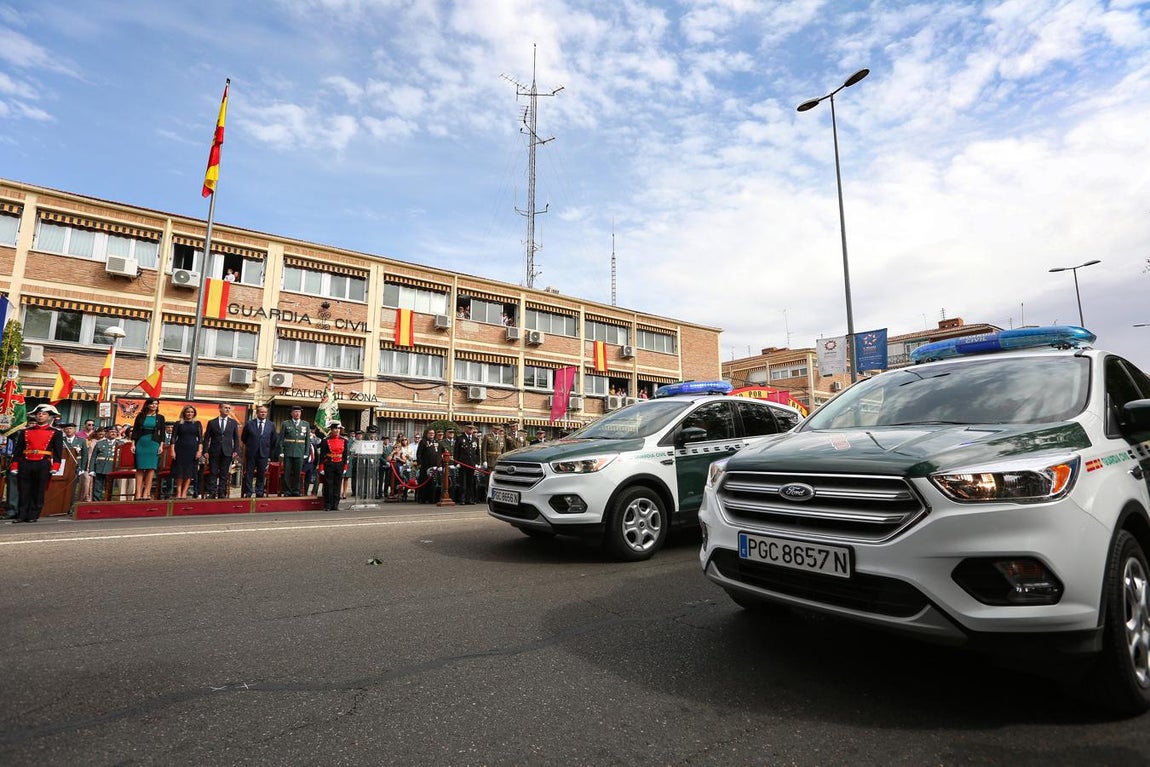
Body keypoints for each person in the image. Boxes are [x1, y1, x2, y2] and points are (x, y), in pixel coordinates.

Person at [10, 403, 64, 523]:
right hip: (26, 461)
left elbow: (58, 452)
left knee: (39, 490)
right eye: (38, 414)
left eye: (44, 414)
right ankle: (21, 514)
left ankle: (33, 515)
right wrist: (15, 465)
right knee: (24, 489)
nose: (40, 416)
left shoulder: (56, 432)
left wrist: (56, 466)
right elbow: (18, 450)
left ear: (49, 417)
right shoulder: (25, 431)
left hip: (43, 462)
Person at [130, 398, 166, 501]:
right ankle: (138, 493)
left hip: (154, 443)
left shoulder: (160, 417)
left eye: (156, 404)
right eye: (152, 404)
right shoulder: (140, 416)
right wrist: (133, 444)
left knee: (151, 468)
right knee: (140, 468)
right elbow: (135, 431)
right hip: (141, 443)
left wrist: (161, 446)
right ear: (148, 405)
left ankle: (146, 493)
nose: (154, 406)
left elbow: (162, 433)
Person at [202, 403, 239, 499]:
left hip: (227, 451)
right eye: (225, 408)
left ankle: (222, 492)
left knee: (224, 473)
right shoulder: (212, 422)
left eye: (229, 408)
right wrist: (205, 450)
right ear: (220, 409)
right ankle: (212, 492)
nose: (227, 410)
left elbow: (236, 438)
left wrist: (236, 450)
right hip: (214, 451)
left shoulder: (233, 423)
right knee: (213, 472)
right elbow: (206, 438)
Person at [241, 404, 276, 498]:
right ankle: (248, 492)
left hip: (263, 453)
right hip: (251, 453)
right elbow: (244, 438)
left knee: (261, 473)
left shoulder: (271, 425)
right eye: (261, 412)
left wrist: (268, 451)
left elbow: (273, 440)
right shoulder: (249, 424)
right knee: (249, 473)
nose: (263, 414)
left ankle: (259, 491)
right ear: (257, 413)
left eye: (265, 412)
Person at [170, 405, 203, 499]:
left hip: (192, 450)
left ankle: (184, 492)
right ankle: (179, 493)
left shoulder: (197, 423)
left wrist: (199, 451)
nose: (190, 414)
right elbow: (173, 438)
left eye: (192, 412)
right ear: (184, 412)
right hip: (180, 449)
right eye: (188, 412)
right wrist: (172, 451)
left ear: (194, 414)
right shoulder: (178, 423)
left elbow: (201, 439)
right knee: (179, 472)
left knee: (189, 472)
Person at [277, 405, 311, 497]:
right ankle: (287, 491)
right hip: (288, 451)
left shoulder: (306, 424)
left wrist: (306, 453)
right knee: (287, 473)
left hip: (300, 452)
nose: (297, 414)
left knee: (297, 473)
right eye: (295, 412)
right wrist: (281, 451)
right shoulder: (285, 423)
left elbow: (308, 440)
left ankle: (296, 490)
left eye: (299, 412)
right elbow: (281, 439)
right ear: (291, 413)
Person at [315, 421, 348, 511]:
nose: (337, 430)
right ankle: (328, 504)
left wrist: (345, 466)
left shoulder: (344, 440)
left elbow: (345, 455)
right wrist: (321, 467)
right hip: (329, 464)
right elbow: (322, 455)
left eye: (338, 429)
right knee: (328, 485)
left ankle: (335, 504)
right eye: (335, 429)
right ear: (331, 430)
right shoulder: (326, 440)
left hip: (339, 464)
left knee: (337, 485)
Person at [60, 422, 89, 506]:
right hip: (63, 467)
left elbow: (85, 455)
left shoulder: (81, 440)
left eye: (70, 428)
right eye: (66, 429)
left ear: (74, 430)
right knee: (61, 485)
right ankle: (61, 505)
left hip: (76, 467)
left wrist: (82, 468)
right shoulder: (61, 440)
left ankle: (70, 505)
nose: (68, 430)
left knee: (72, 487)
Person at [89, 425, 120, 501]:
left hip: (112, 468)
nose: (113, 433)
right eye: (111, 432)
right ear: (107, 433)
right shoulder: (99, 443)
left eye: (115, 432)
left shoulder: (120, 444)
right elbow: (93, 457)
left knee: (109, 488)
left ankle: (107, 502)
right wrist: (91, 469)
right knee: (97, 487)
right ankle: (96, 502)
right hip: (100, 468)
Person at [453, 423, 480, 505]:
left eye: (472, 428)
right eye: (469, 428)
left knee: (470, 482)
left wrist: (477, 463)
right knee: (463, 482)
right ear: (465, 429)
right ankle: (462, 499)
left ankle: (470, 499)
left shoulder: (475, 439)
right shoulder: (460, 438)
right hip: (463, 463)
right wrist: (456, 462)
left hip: (471, 464)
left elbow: (477, 452)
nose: (471, 430)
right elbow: (456, 451)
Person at [415, 427, 440, 503]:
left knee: (433, 483)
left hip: (434, 466)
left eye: (433, 433)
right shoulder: (423, 442)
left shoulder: (437, 442)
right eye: (430, 433)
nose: (431, 434)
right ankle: (422, 499)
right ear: (427, 434)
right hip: (425, 466)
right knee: (424, 482)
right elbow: (419, 454)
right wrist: (420, 464)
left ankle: (432, 499)